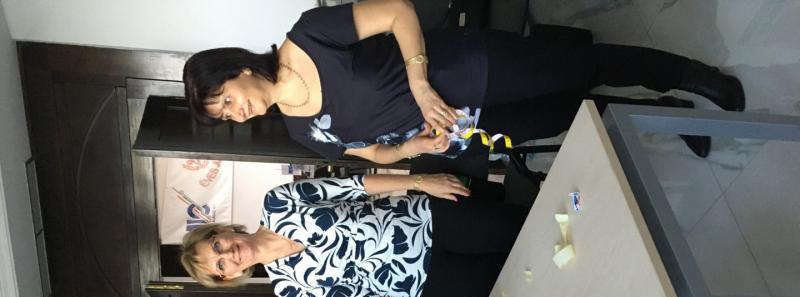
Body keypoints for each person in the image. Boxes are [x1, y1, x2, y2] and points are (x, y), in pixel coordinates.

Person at [182, 0, 744, 162]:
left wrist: (419, 84)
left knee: (582, 68)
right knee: (572, 117)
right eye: (225, 117)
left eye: (226, 100)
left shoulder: (308, 36)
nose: (236, 113)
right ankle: (669, 113)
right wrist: (414, 148)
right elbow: (370, 153)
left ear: (239, 69)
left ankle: (694, 77)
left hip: (468, 68)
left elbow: (398, 11)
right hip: (469, 128)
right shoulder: (299, 131)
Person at [180, 174, 528, 297]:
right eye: (220, 265)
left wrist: (421, 181)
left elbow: (352, 186)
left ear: (222, 231)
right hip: (426, 284)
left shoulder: (277, 202)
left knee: (528, 226)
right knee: (520, 276)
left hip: (431, 221)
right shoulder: (287, 287)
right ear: (228, 276)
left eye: (217, 245)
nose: (229, 254)